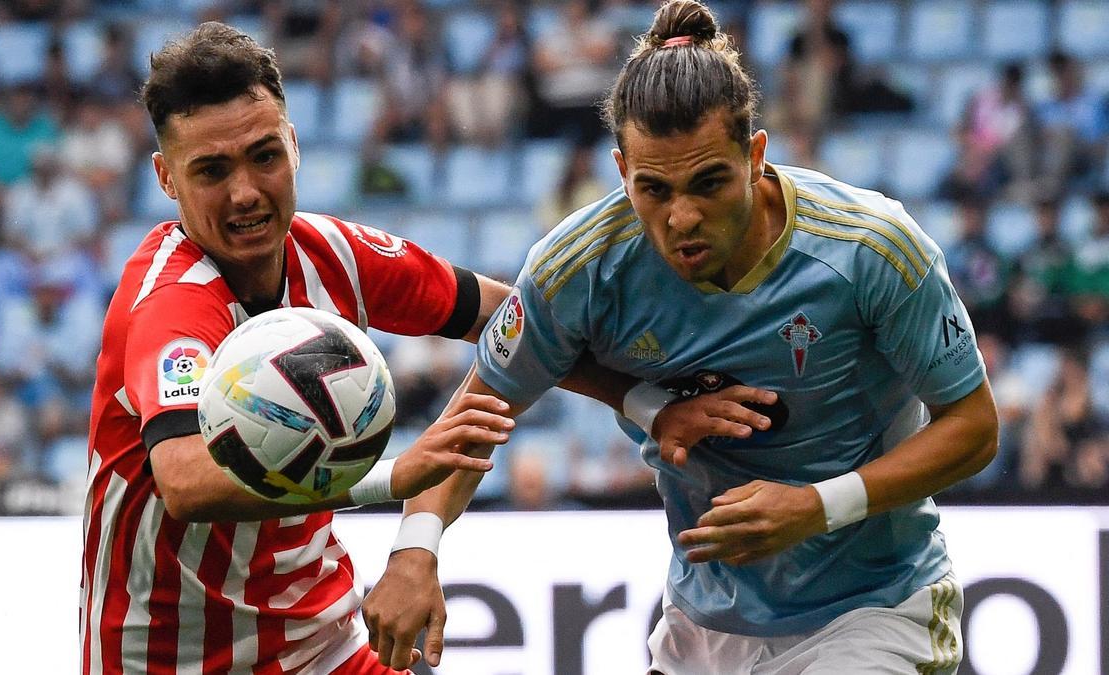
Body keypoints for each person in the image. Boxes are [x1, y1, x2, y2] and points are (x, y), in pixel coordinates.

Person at [362, 2, 999, 673]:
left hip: (873, 609)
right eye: (654, 190)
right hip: (703, 626)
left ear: (754, 156)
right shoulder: (578, 267)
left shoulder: (871, 249)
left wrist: (817, 507)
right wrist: (415, 547)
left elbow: (975, 427)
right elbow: (477, 414)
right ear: (620, 173)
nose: (683, 217)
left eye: (709, 182)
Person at [81, 22, 731, 675]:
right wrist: (394, 474)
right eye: (212, 170)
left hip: (322, 645)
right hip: (172, 660)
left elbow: (521, 319)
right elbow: (187, 480)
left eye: (263, 156)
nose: (246, 190)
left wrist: (645, 402)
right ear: (166, 178)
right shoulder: (170, 302)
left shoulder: (335, 256)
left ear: (294, 146)